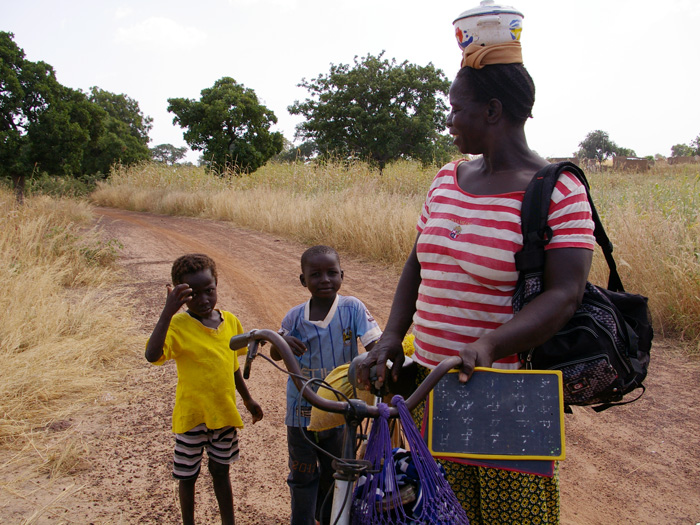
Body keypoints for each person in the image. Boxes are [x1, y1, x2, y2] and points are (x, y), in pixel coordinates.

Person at [356, 42, 596, 524]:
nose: (449, 120)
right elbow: (417, 264)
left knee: (511, 515)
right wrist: (391, 338)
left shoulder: (557, 191)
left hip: (504, 393)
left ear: (492, 110)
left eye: (455, 109)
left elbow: (565, 295)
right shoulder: (447, 179)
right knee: (433, 511)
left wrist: (489, 344)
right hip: (430, 384)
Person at [145, 253, 263, 525]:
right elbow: (152, 355)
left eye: (209, 290)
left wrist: (247, 399)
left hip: (223, 413)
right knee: (188, 476)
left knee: (221, 472)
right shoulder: (177, 325)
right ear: (179, 295)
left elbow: (231, 365)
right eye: (192, 294)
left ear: (217, 285)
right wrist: (167, 311)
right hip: (192, 417)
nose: (203, 299)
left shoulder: (230, 321)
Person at [270, 245, 382, 525]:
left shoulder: (352, 308)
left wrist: (376, 361)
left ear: (342, 275)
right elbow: (274, 351)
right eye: (315, 274)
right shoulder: (294, 317)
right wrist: (281, 343)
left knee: (337, 474)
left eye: (332, 273)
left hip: (338, 410)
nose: (325, 280)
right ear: (303, 280)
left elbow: (374, 343)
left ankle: (330, 518)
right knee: (302, 475)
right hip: (300, 411)